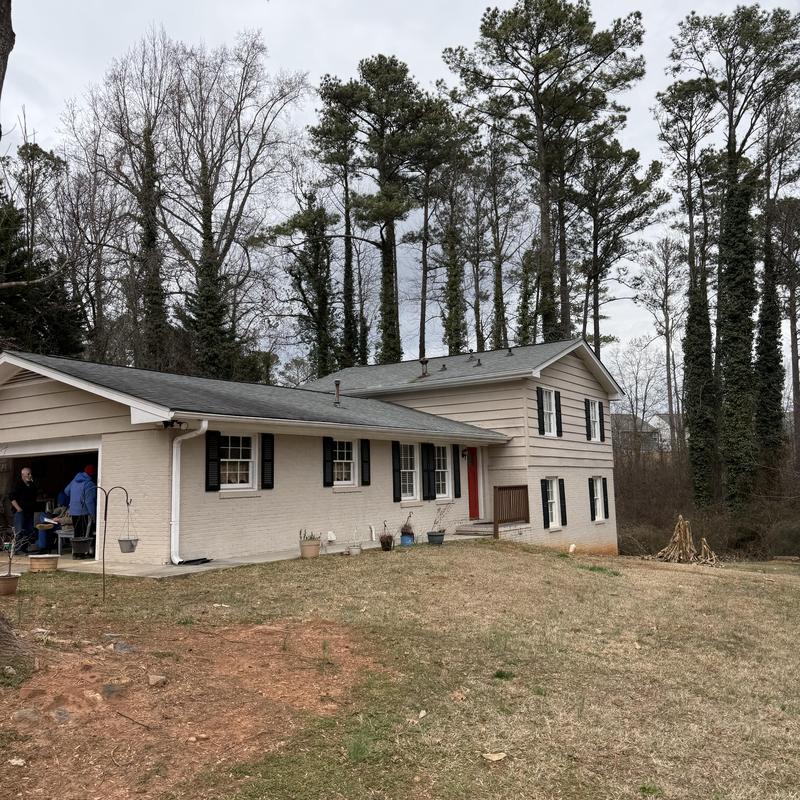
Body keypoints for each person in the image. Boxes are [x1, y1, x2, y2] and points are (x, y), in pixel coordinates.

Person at [64, 465, 97, 545]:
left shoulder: (74, 480)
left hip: (73, 511)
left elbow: (66, 491)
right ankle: (81, 553)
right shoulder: (89, 484)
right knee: (84, 534)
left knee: (77, 533)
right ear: (92, 474)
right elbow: (89, 502)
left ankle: (77, 553)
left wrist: (75, 497)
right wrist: (93, 515)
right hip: (84, 512)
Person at [10, 467, 38, 552]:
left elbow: (35, 494)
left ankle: (24, 548)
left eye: (30, 474)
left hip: (29, 511)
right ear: (23, 475)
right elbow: (11, 497)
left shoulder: (31, 485)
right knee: (19, 530)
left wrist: (33, 483)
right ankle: (16, 549)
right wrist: (18, 508)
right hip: (20, 512)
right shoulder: (18, 484)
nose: (30, 475)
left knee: (29, 530)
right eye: (28, 474)